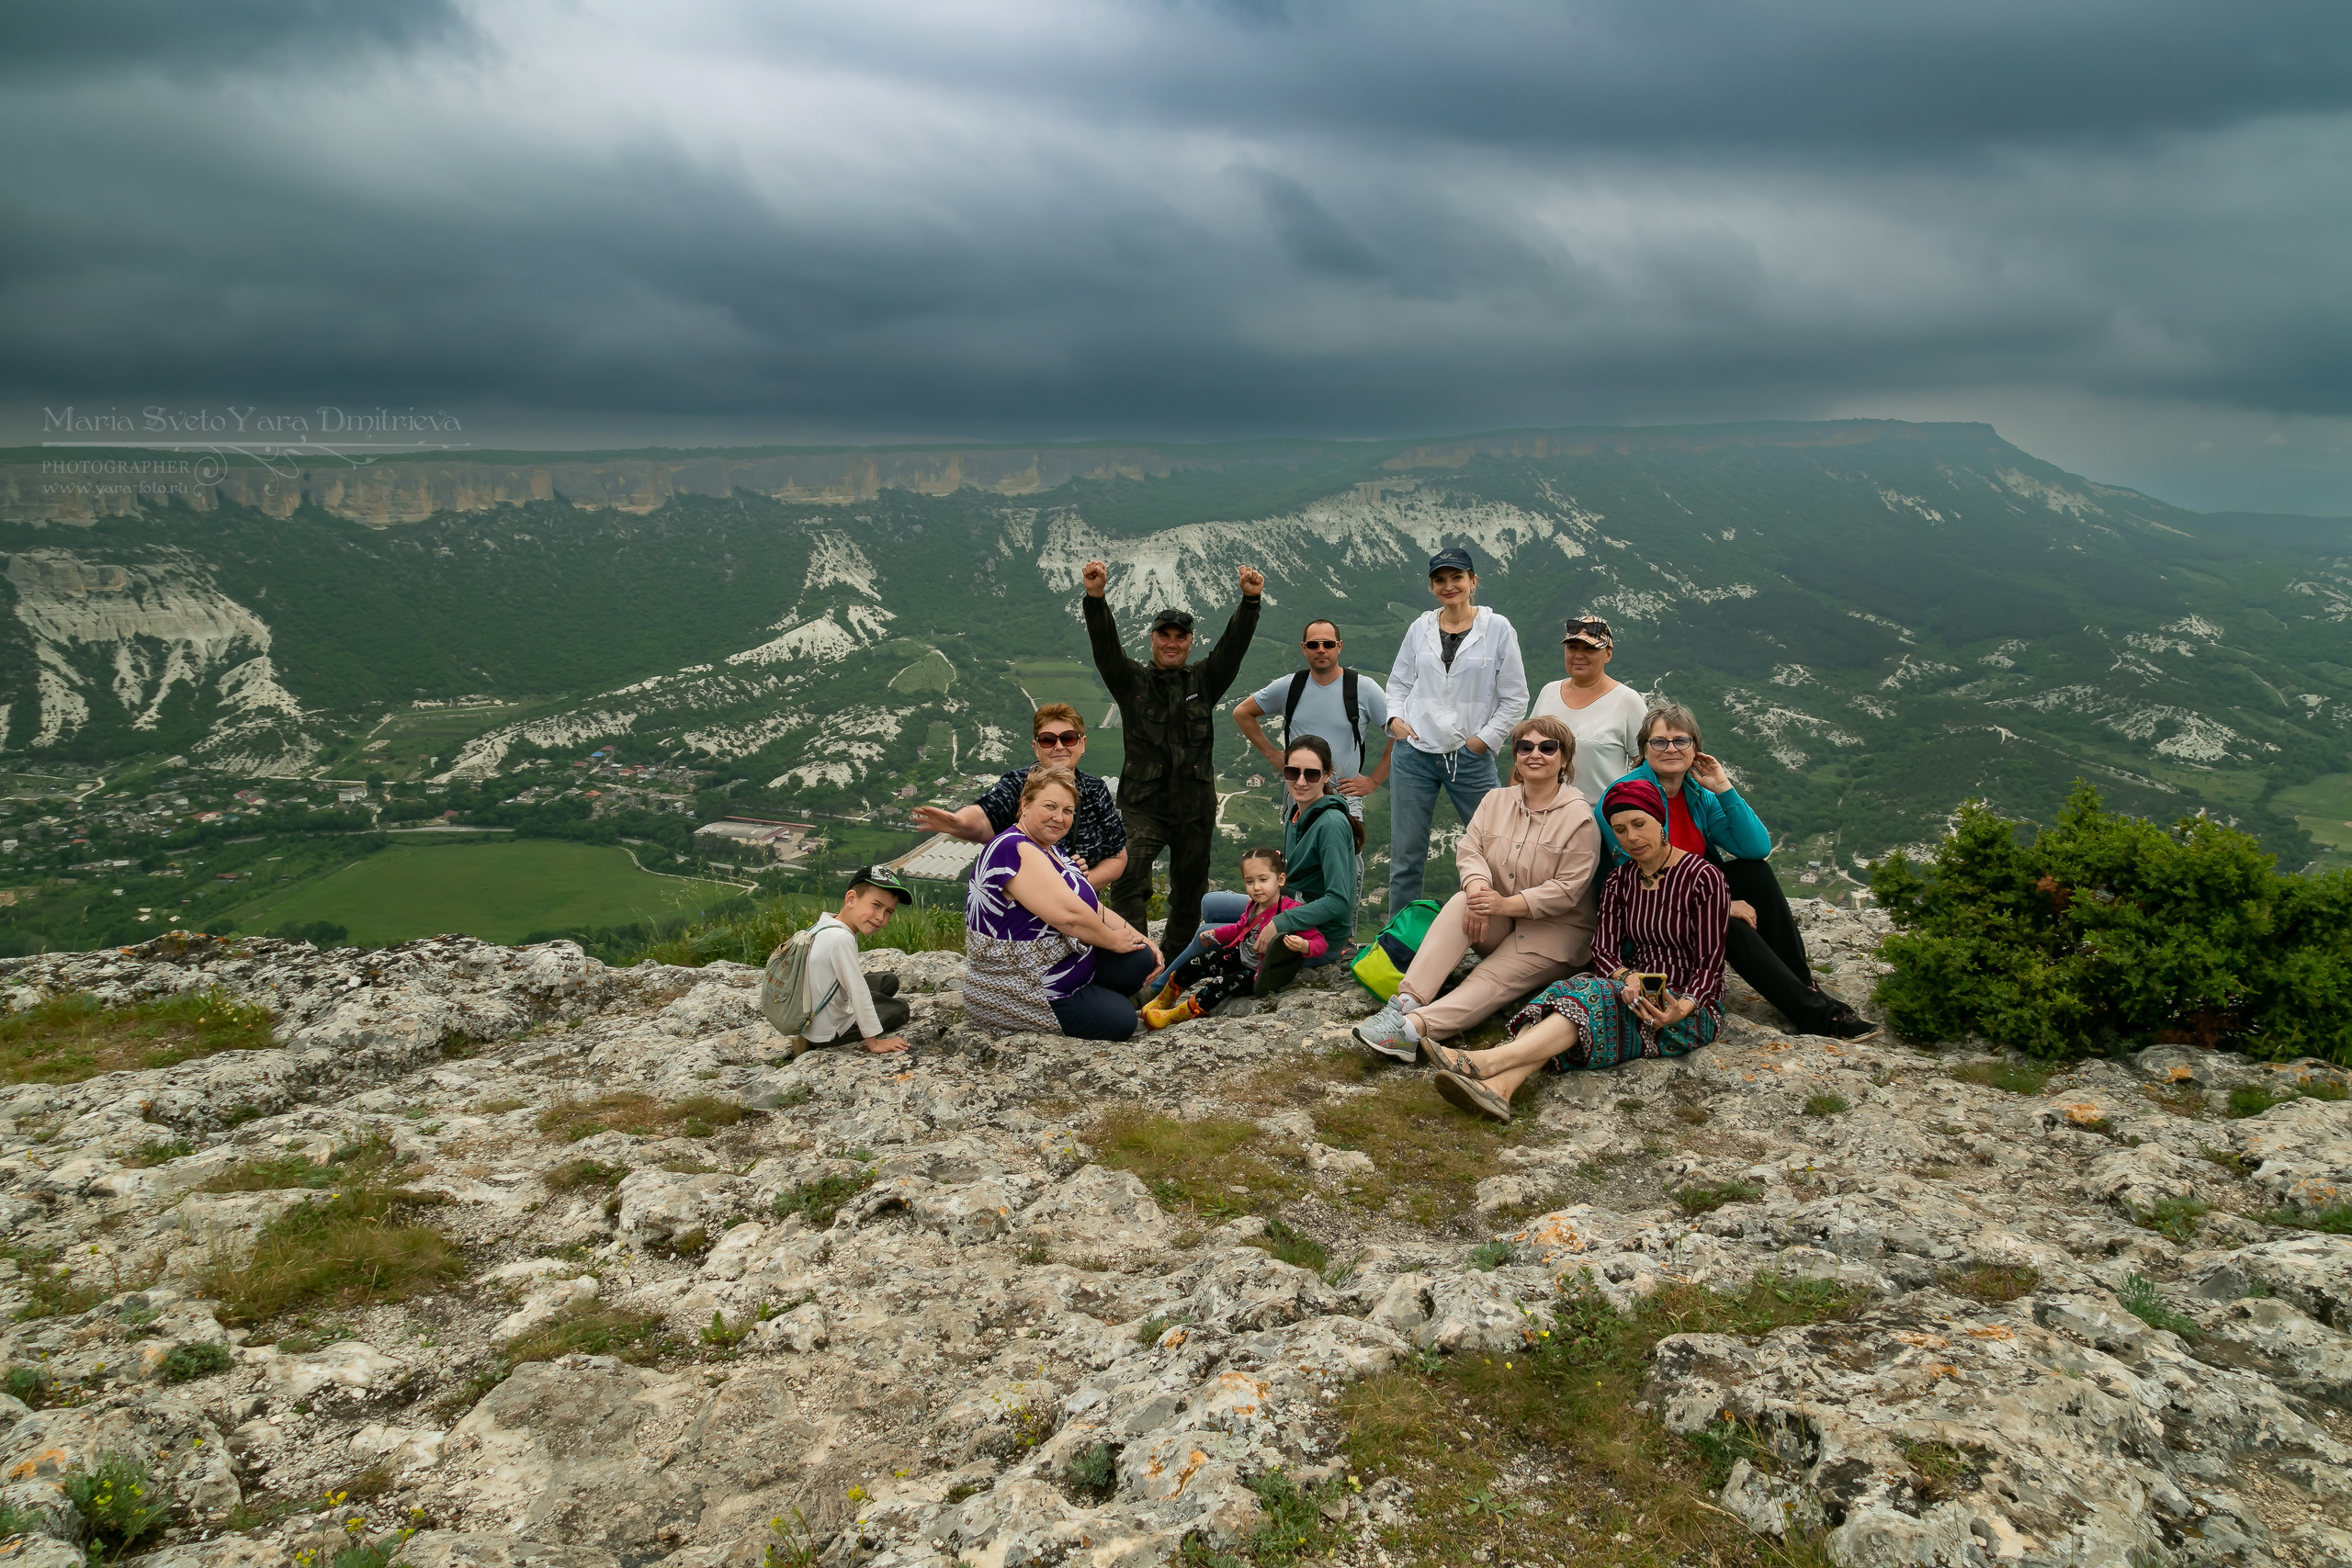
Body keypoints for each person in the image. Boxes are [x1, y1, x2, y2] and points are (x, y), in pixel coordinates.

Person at [1423, 778, 1728, 1122]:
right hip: (1633, 991)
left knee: (1593, 998)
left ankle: (1491, 1061)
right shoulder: (1619, 881)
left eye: (1639, 824)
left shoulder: (1704, 878)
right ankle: (1500, 1090)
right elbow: (1604, 951)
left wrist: (1680, 1008)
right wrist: (1628, 978)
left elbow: (1710, 965)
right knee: (1562, 991)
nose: (1631, 838)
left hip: (1689, 1007)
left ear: (1662, 822)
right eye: (1621, 830)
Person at [1599, 704, 1874, 1042]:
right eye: (1659, 742)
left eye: (1680, 741)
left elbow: (1755, 848)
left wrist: (1724, 788)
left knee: (1755, 872)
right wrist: (1720, 904)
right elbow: (1641, 878)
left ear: (1695, 748)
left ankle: (1803, 984)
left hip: (1693, 889)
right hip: (1648, 911)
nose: (1670, 749)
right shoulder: (1626, 799)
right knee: (1727, 925)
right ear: (1643, 750)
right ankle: (1817, 1015)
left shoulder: (1696, 794)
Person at [1351, 716, 1600, 1060]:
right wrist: (1480, 891)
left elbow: (1567, 890)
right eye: (1525, 747)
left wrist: (1501, 906)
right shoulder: (1496, 800)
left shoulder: (1579, 817)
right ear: (1515, 755)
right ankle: (1405, 1001)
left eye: (1548, 747)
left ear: (1564, 758)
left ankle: (1413, 1031)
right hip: (1500, 920)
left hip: (1554, 934)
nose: (1535, 754)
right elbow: (1471, 851)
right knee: (1461, 901)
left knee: (1488, 976)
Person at [1083, 558, 1263, 956]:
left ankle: (1170, 969)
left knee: (1190, 892)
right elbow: (1105, 650)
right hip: (1141, 807)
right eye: (1163, 635)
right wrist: (1095, 598)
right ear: (1152, 640)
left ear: (1189, 641)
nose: (1171, 642)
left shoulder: (1205, 680)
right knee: (1129, 880)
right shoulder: (1132, 682)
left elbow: (1232, 650)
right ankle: (1134, 960)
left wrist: (1250, 602)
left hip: (1194, 808)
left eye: (1179, 637)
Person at [964, 767, 1162, 1040]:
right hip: (1024, 984)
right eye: (1050, 806)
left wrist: (1142, 939)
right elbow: (1069, 916)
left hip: (1064, 961)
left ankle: (1093, 1000)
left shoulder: (1052, 851)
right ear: (1025, 805)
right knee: (1123, 1021)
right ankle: (1087, 1006)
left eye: (1068, 811)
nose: (1059, 817)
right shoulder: (1012, 848)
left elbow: (1092, 907)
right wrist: (1113, 941)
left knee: (1140, 957)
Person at [1383, 547, 1528, 914]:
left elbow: (1515, 698)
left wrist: (1482, 742)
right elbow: (1398, 682)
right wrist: (1395, 721)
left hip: (1470, 757)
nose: (1449, 586)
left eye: (1457, 578)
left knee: (1498, 848)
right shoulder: (1420, 628)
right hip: (1414, 753)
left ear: (1473, 581)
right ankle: (1400, 941)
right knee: (1406, 856)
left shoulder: (1497, 629)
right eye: (1440, 580)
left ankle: (1504, 930)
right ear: (1432, 586)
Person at [912, 704, 1128, 890]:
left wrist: (1080, 884)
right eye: (1048, 740)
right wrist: (958, 822)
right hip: (1022, 914)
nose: (1059, 746)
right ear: (1036, 748)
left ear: (1082, 744)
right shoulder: (1019, 784)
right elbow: (984, 814)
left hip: (1080, 910)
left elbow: (1118, 856)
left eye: (1068, 738)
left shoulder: (1095, 790)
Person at [1141, 847, 1326, 1028]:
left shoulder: (1290, 911)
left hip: (1256, 973)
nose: (1256, 887)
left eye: (1263, 880)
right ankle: (1166, 998)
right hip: (1239, 955)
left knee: (1218, 985)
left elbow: (1320, 943)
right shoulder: (1254, 905)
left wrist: (1303, 945)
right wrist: (1216, 934)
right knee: (1197, 963)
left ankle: (1176, 1015)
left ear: (1280, 879)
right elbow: (1240, 928)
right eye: (1249, 882)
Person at [1234, 619, 1393, 827]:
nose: (1321, 650)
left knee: (1345, 858)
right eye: (1313, 645)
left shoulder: (1363, 688)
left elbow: (1399, 733)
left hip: (1343, 799)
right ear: (1303, 648)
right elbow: (1242, 712)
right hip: (1300, 795)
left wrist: (1374, 781)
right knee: (1299, 857)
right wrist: (1273, 756)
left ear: (1339, 646)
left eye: (1328, 644)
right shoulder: (1289, 687)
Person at [783, 864, 916, 1056]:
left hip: (816, 1001)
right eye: (876, 905)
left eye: (888, 911)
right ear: (851, 899)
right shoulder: (841, 939)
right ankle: (812, 1041)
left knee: (889, 980)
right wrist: (874, 1043)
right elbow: (858, 992)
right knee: (900, 1008)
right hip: (825, 1031)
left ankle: (860, 1008)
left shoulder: (827, 923)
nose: (880, 917)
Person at [1527, 615, 1648, 808]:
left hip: (1601, 818)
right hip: (1545, 815)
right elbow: (1524, 754)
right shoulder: (1549, 692)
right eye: (1572, 647)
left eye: (1590, 648)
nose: (1579, 655)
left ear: (1608, 654)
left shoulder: (1627, 701)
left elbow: (1646, 767)